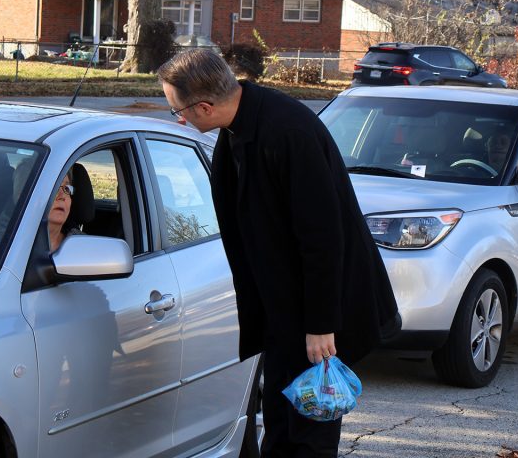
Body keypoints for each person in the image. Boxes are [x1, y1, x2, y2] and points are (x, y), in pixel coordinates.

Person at [157, 49, 400, 458]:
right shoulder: (239, 128)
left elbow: (323, 236)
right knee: (280, 426)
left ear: (203, 106)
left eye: (177, 110)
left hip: (318, 319)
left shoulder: (288, 132)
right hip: (283, 313)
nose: (179, 119)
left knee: (309, 434)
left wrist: (322, 325)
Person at [48, 171, 79, 252]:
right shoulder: (12, 243)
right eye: (54, 187)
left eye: (67, 188)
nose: (62, 196)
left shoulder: (83, 246)